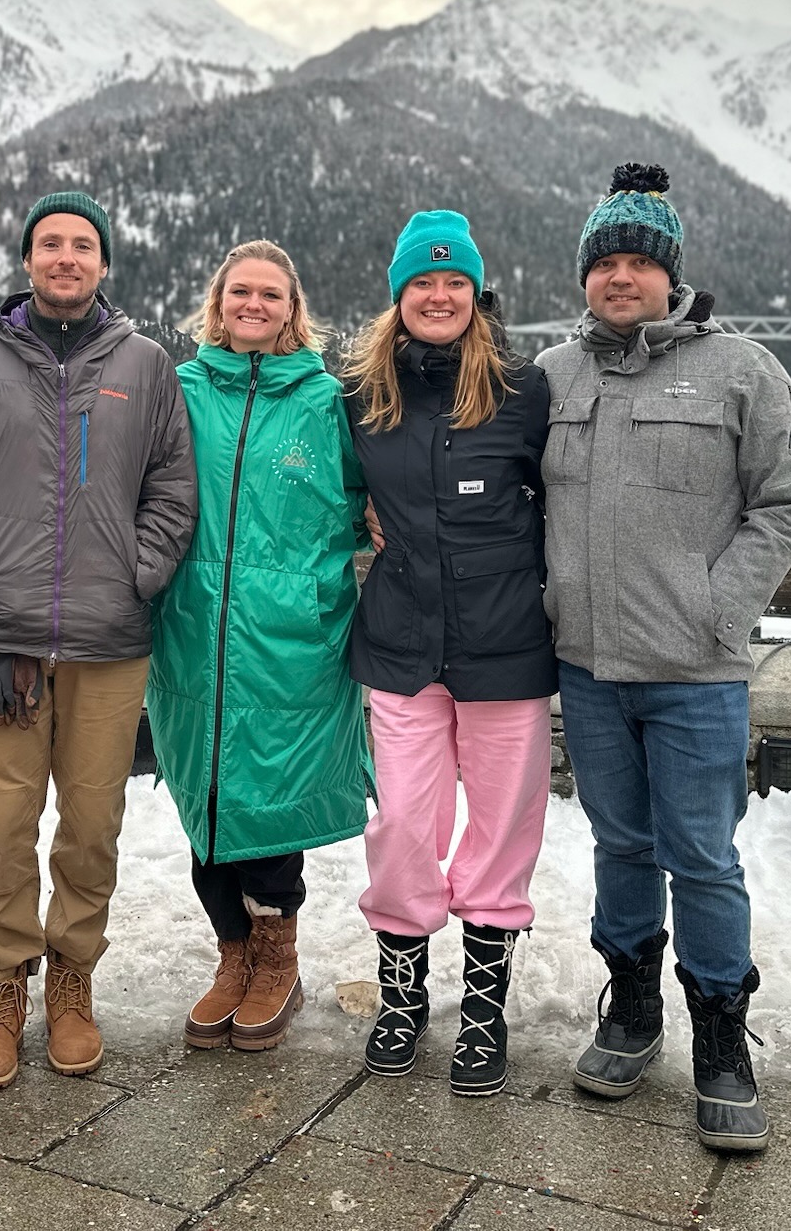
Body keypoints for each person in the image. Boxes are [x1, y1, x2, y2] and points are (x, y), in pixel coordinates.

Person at [538, 162, 791, 1153]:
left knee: (699, 854)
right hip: (587, 667)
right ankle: (629, 1006)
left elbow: (783, 505)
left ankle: (720, 1037)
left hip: (695, 673)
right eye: (602, 262)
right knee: (618, 845)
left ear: (670, 277)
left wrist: (717, 607)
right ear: (584, 278)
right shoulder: (554, 378)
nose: (619, 277)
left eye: (636, 263)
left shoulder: (740, 371)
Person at [0, 190, 198, 1091]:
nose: (67, 258)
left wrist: (136, 573)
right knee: (2, 828)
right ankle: (2, 989)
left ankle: (72, 982)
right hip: (3, 641)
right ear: (29, 259)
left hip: (110, 642)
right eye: (51, 244)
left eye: (83, 245)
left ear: (105, 263)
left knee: (90, 824)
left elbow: (171, 483)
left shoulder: (147, 365)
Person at [344, 210, 556, 1099]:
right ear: (400, 295)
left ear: (477, 294)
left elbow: (568, 500)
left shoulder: (524, 390)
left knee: (503, 830)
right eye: (423, 283)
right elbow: (332, 492)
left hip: (505, 647)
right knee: (401, 826)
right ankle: (401, 998)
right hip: (399, 646)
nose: (439, 296)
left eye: (455, 283)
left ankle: (483, 1009)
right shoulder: (359, 392)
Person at [148, 241, 370, 1054]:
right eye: (240, 291)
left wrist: (316, 582)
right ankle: (232, 955)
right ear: (216, 302)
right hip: (193, 625)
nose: (254, 304)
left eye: (270, 294)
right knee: (204, 794)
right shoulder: (178, 393)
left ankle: (278, 960)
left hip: (290, 636)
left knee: (270, 802)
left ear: (292, 309)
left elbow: (364, 502)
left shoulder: (323, 400)